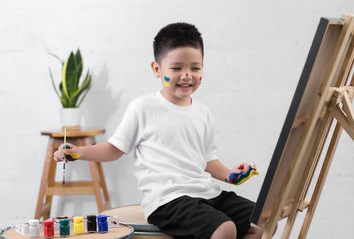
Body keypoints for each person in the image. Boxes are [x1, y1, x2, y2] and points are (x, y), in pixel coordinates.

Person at [54, 22, 263, 239]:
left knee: (262, 220)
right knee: (225, 229)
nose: (186, 75)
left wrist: (232, 175)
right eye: (176, 68)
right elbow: (115, 149)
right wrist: (78, 152)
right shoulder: (143, 107)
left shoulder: (203, 112)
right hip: (167, 200)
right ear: (157, 69)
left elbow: (208, 161)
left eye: (195, 68)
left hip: (207, 192)